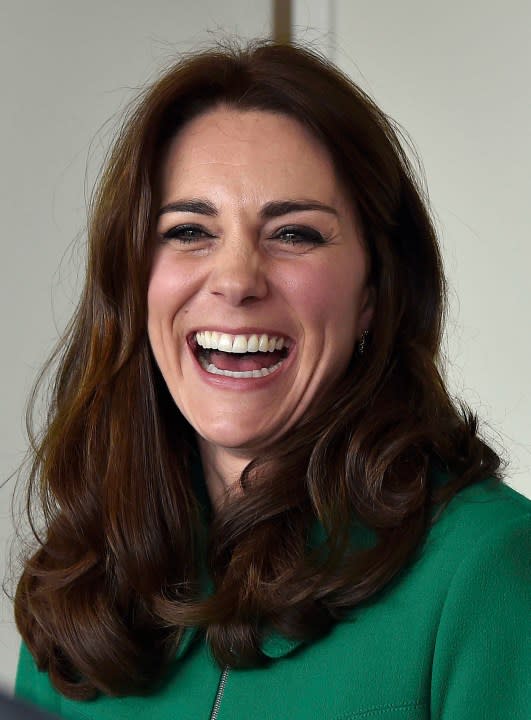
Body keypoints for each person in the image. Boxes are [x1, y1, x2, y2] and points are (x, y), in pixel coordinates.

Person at [13, 37, 530, 719]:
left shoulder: (487, 570)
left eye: (294, 234)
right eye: (189, 230)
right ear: (134, 280)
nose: (234, 281)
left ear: (374, 290)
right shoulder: (80, 578)